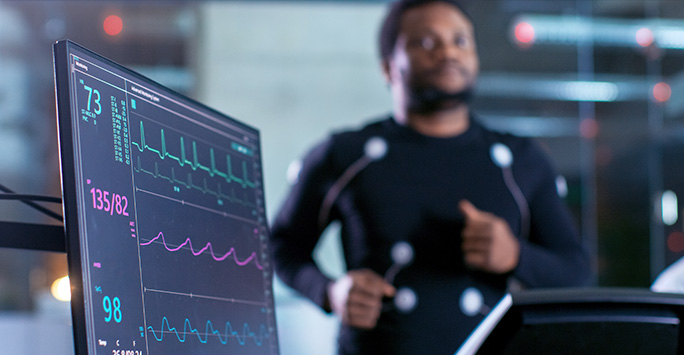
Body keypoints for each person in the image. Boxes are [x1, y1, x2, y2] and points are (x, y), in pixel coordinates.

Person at [270, 0, 591, 353]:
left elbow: (576, 271)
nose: (447, 52)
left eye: (461, 41)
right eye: (426, 42)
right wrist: (329, 291)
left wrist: (516, 256)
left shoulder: (521, 160)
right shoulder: (344, 154)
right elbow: (280, 247)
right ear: (389, 68)